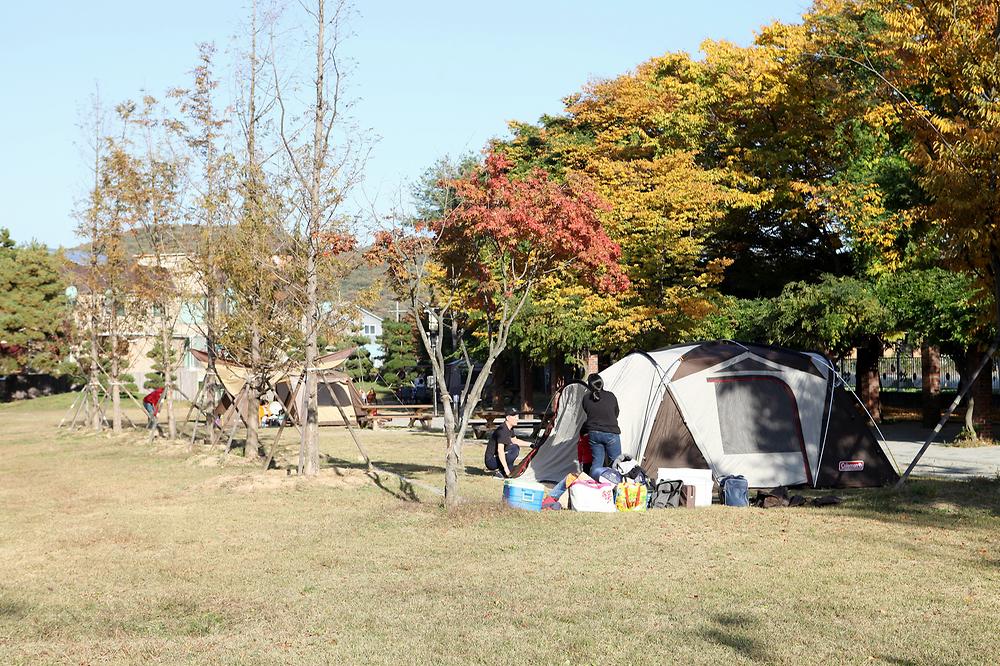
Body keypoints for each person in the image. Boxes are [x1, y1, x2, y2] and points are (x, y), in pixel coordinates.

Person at [582, 373, 621, 469]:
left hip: (593, 433)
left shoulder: (586, 398)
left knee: (597, 462)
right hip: (611, 432)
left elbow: (588, 412)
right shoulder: (611, 396)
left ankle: (594, 482)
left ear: (590, 385)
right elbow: (616, 413)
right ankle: (616, 483)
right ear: (602, 383)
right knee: (616, 462)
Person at [484, 407, 533, 478]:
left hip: (496, 457)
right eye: (515, 417)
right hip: (491, 461)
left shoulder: (509, 428)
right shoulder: (502, 430)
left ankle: (508, 470)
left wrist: (531, 444)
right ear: (508, 418)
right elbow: (500, 451)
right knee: (514, 449)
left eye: (517, 416)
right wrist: (506, 470)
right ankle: (502, 472)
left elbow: (515, 441)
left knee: (514, 447)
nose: (517, 419)